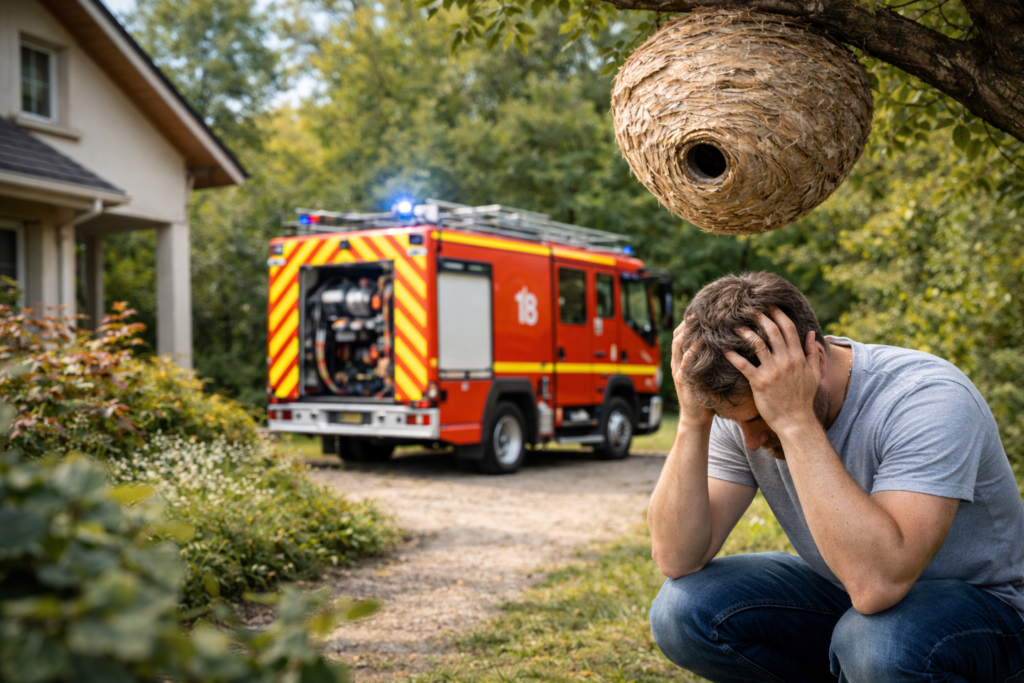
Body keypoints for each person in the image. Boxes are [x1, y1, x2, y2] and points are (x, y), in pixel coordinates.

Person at [647, 272, 1024, 683]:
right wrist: (693, 420)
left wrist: (792, 421)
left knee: (874, 644)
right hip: (853, 597)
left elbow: (877, 585)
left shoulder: (927, 397)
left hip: (991, 613)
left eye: (759, 419)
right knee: (681, 612)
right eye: (732, 420)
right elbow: (676, 556)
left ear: (814, 361)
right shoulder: (745, 405)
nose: (750, 441)